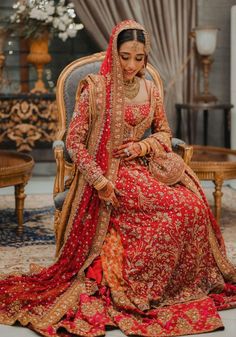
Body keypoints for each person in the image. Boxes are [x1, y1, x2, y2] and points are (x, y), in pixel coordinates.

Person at [0, 19, 236, 337]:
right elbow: (74, 142)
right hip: (107, 173)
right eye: (125, 56)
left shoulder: (150, 88)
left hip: (143, 166)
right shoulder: (94, 89)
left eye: (139, 58)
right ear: (114, 52)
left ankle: (177, 285)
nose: (132, 65)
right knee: (171, 211)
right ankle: (140, 285)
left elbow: (165, 133)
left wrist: (143, 144)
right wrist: (98, 180)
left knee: (191, 203)